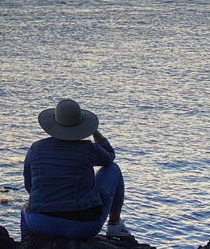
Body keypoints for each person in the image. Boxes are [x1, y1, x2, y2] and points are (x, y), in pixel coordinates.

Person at [21, 97, 130, 240]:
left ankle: (27, 248)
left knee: (25, 209)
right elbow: (110, 156)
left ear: (54, 124)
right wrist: (94, 132)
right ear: (81, 126)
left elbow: (29, 186)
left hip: (41, 224)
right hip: (83, 226)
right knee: (113, 169)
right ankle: (115, 225)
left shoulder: (36, 148)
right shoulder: (88, 149)